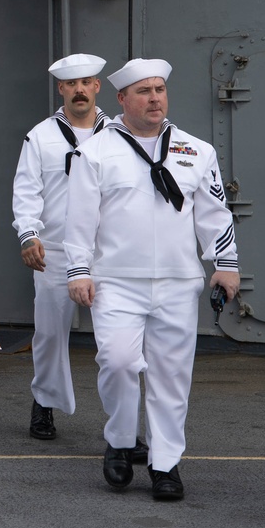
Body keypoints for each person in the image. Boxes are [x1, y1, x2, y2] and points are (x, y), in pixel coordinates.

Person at [65, 58, 240, 500]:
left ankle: (166, 465)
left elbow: (214, 213)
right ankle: (122, 440)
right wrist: (79, 270)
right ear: (122, 99)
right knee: (118, 362)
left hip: (178, 282)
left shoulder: (196, 150)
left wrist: (225, 262)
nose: (155, 98)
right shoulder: (95, 152)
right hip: (116, 282)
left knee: (171, 375)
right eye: (144, 91)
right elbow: (80, 220)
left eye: (160, 89)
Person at [12, 53, 147, 448]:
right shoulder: (41, 135)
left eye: (86, 82)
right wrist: (28, 234)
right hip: (54, 248)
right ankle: (44, 401)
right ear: (62, 89)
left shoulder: (123, 133)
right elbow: (26, 192)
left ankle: (123, 426)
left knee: (119, 344)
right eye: (71, 84)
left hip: (110, 251)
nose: (80, 90)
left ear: (98, 87)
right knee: (50, 333)